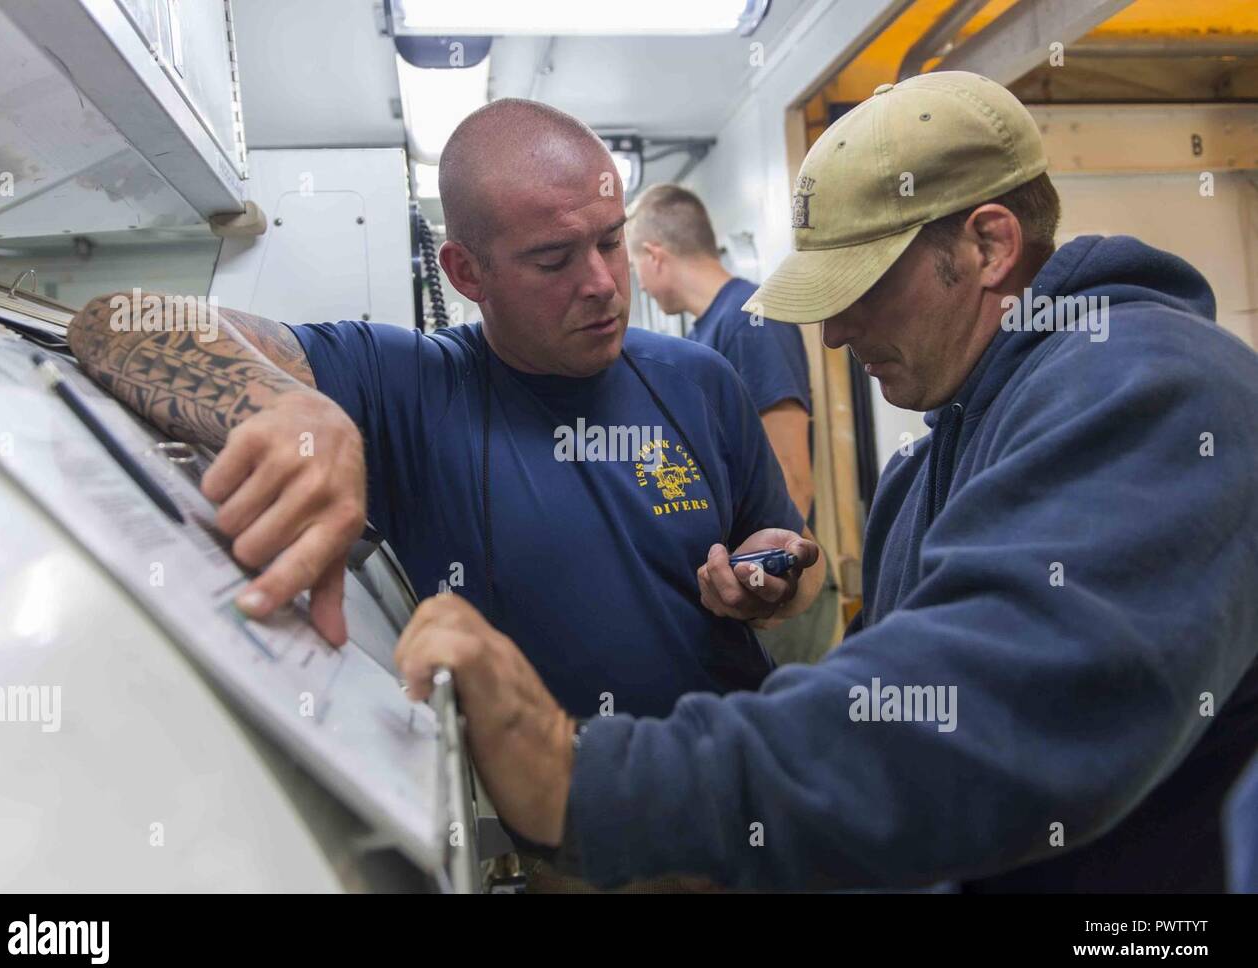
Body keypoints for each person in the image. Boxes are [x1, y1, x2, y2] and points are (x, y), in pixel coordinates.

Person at [393, 71, 1258, 892]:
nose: (836, 332)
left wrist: (583, 780)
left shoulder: (1153, 388)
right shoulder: (927, 465)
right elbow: (893, 723)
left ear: (989, 244)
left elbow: (982, 720)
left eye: (863, 286)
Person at [65, 97, 826, 728]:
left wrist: (776, 577)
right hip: (580, 838)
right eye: (554, 259)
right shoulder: (409, 387)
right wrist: (287, 405)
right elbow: (113, 321)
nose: (600, 282)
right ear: (466, 272)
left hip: (743, 799)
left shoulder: (700, 379)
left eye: (610, 241)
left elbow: (788, 566)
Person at [627, 184, 836, 664]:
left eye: (636, 265)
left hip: (778, 600)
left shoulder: (750, 323)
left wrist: (764, 586)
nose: (638, 282)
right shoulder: (703, 337)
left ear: (655, 256)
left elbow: (791, 477)